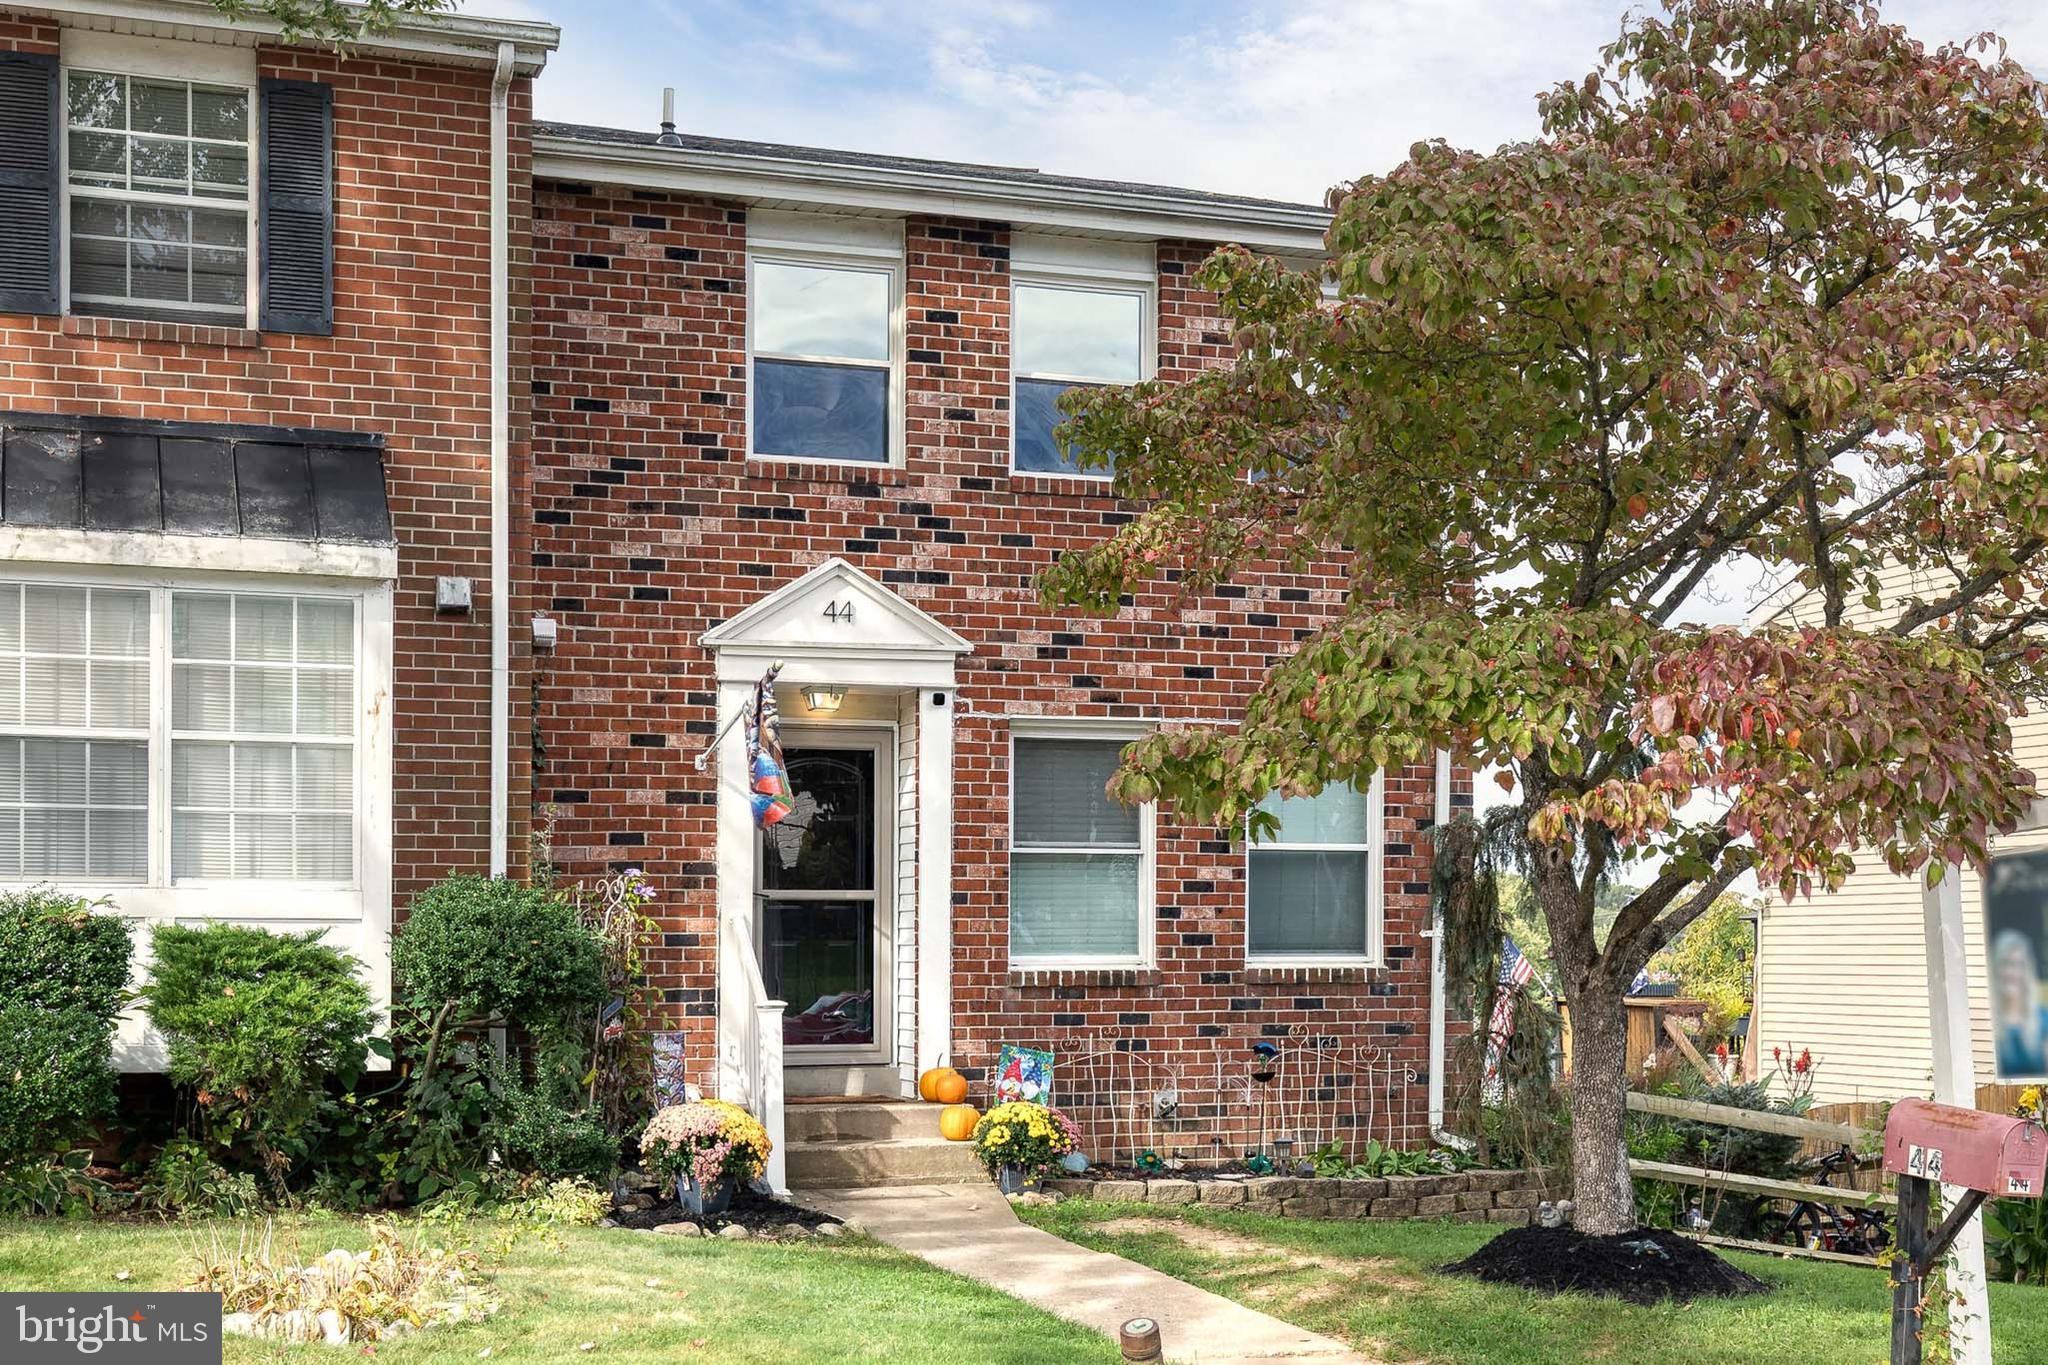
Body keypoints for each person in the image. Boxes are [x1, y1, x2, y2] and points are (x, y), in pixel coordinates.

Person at [1992, 930, 2048, 1078]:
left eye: (2019, 965)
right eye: (2006, 964)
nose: (2012, 973)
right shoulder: (1988, 1021)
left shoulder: (2043, 1020)